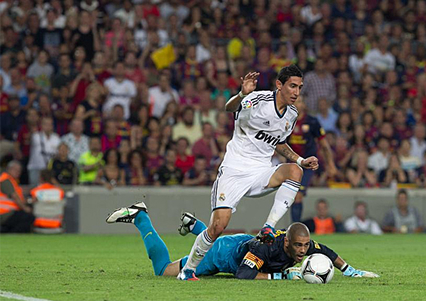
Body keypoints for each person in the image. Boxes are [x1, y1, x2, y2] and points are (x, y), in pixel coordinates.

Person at [178, 65, 319, 281]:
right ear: (279, 85)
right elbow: (229, 108)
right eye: (292, 86)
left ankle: (268, 227)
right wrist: (243, 94)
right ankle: (188, 270)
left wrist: (300, 160)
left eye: (299, 87)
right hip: (234, 170)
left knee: (294, 171)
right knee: (217, 226)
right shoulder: (259, 99)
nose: (296, 92)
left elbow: (279, 143)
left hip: (260, 171)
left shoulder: (292, 114)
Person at [105, 202, 379, 279]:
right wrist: (282, 278)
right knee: (163, 270)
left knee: (216, 238)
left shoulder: (301, 243)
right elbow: (243, 274)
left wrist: (350, 270)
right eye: (299, 247)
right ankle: (141, 218)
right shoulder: (264, 249)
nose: (303, 251)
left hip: (235, 241)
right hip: (221, 256)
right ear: (286, 243)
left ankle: (195, 227)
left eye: (306, 247)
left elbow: (328, 251)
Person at [288, 95, 336, 222]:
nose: (297, 104)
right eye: (295, 102)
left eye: (300, 101)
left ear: (304, 105)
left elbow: (324, 145)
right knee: (291, 196)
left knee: (298, 195)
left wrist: (330, 164)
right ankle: (294, 228)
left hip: (307, 165)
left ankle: (295, 227)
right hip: (291, 164)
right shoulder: (286, 120)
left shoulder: (312, 122)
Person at [0, 161, 35, 233]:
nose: (18, 172)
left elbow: (20, 198)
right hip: (5, 213)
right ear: (9, 169)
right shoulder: (5, 180)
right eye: (16, 170)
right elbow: (15, 197)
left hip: (9, 212)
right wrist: (25, 208)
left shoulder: (12, 181)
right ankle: (12, 234)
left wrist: (30, 201)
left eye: (19, 171)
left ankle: (6, 231)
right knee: (28, 217)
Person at [27, 117, 61, 185]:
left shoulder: (56, 138)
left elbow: (58, 153)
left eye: (50, 124)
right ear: (41, 125)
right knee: (35, 188)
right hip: (35, 167)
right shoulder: (35, 136)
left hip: (49, 170)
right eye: (45, 124)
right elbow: (29, 140)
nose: (48, 126)